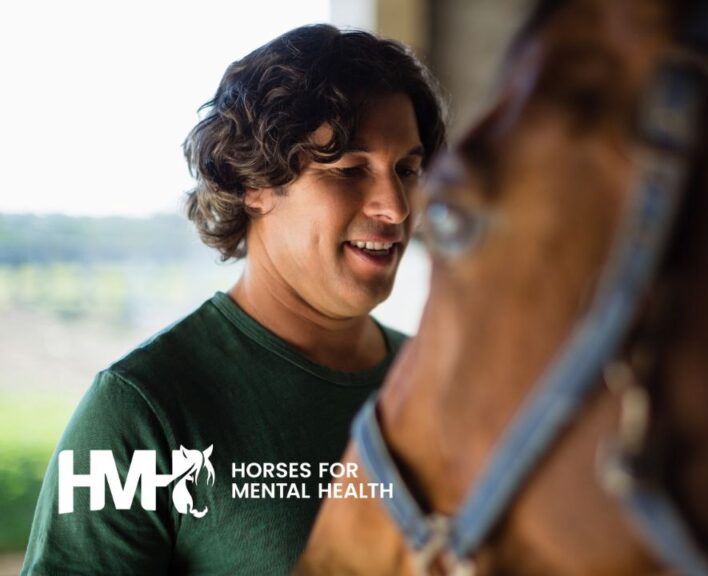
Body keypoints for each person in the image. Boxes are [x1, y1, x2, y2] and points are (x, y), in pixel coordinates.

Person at [21, 24, 445, 575]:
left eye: (407, 170)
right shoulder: (140, 411)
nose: (395, 207)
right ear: (254, 184)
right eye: (349, 170)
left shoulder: (442, 384)